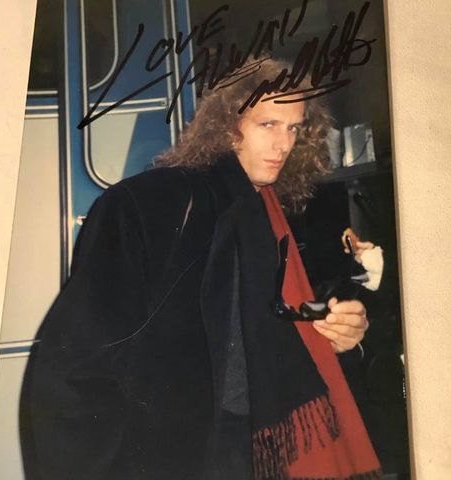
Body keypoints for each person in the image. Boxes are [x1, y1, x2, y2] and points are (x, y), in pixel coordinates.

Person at [20, 57, 383, 480]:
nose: (283, 144)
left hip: (259, 447)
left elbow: (288, 322)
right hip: (175, 455)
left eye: (293, 128)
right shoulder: (153, 203)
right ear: (227, 124)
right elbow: (73, 365)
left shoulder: (275, 214)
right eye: (268, 124)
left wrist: (343, 334)